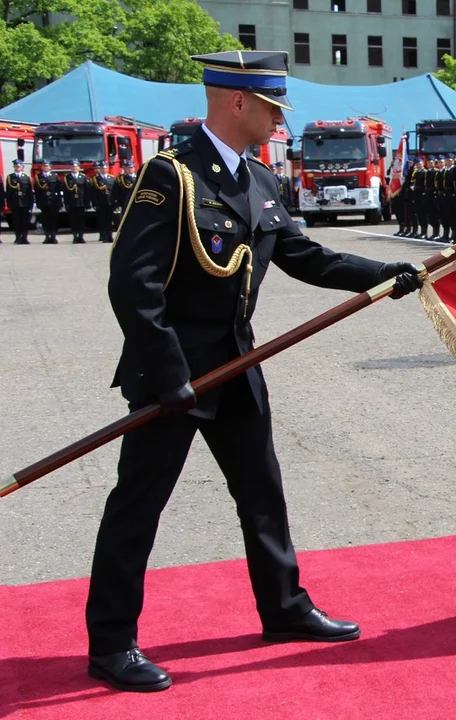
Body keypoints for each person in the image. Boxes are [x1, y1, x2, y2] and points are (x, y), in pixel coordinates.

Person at [85, 50, 424, 694]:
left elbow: (303, 255)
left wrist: (381, 275)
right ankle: (110, 643)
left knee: (262, 494)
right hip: (176, 376)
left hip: (237, 368)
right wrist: (167, 373)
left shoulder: (260, 180)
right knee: (139, 505)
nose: (279, 120)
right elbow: (135, 288)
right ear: (237, 101)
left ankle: (284, 608)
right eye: (272, 106)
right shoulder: (173, 176)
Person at [35, 159, 63, 244]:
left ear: (50, 167)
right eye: (44, 166)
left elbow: (58, 189)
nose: (45, 167)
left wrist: (59, 202)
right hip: (44, 201)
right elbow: (37, 191)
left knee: (53, 220)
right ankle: (47, 237)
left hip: (53, 201)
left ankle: (53, 237)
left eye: (47, 166)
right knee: (45, 220)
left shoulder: (54, 176)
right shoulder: (38, 177)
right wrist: (38, 202)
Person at [6, 158, 32, 244]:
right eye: (16, 166)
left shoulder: (26, 177)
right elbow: (9, 192)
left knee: (25, 221)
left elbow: (29, 192)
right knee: (16, 221)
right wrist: (9, 203)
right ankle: (17, 237)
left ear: (22, 167)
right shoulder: (10, 177)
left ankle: (24, 237)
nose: (18, 167)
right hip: (15, 202)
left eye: (19, 166)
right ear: (14, 167)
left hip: (24, 203)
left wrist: (30, 204)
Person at [64, 159, 89, 244]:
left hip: (81, 202)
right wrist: (66, 203)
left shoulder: (83, 177)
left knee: (81, 220)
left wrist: (87, 203)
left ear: (79, 167)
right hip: (72, 202)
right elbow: (65, 192)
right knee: (73, 220)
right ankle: (75, 236)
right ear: (70, 168)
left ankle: (81, 237)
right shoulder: (67, 178)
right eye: (72, 167)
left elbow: (87, 190)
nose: (74, 168)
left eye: (76, 167)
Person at [92, 160, 118, 243]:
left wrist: (115, 202)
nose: (104, 169)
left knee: (110, 220)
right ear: (99, 169)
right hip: (101, 202)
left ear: (107, 169)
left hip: (110, 202)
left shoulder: (112, 178)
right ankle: (104, 236)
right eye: (102, 168)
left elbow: (115, 191)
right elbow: (94, 192)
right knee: (103, 220)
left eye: (105, 168)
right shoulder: (96, 179)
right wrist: (95, 203)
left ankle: (110, 236)